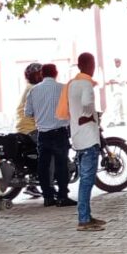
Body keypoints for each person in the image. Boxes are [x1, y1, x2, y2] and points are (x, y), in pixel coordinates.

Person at [64, 53, 106, 232]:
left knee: (85, 179)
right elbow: (87, 103)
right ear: (90, 65)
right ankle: (84, 219)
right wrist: (89, 115)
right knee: (87, 180)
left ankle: (86, 215)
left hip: (78, 135)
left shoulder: (72, 84)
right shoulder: (87, 84)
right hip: (89, 136)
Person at [25, 63, 74, 207]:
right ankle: (62, 196)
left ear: (42, 74)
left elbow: (28, 113)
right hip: (60, 133)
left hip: (43, 134)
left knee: (44, 167)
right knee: (61, 165)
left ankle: (48, 197)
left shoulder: (33, 91)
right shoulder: (64, 88)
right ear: (56, 73)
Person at [16, 62, 44, 198]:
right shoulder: (34, 89)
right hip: (30, 128)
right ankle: (36, 183)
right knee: (50, 148)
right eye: (38, 74)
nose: (41, 76)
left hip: (26, 127)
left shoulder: (31, 88)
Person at [106, 57, 125, 127]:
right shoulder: (114, 70)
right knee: (120, 106)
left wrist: (114, 80)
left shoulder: (122, 70)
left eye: (117, 62)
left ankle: (112, 121)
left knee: (116, 106)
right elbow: (110, 79)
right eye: (115, 62)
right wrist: (111, 80)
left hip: (119, 90)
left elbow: (122, 80)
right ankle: (122, 120)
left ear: (120, 62)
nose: (116, 63)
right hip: (115, 90)